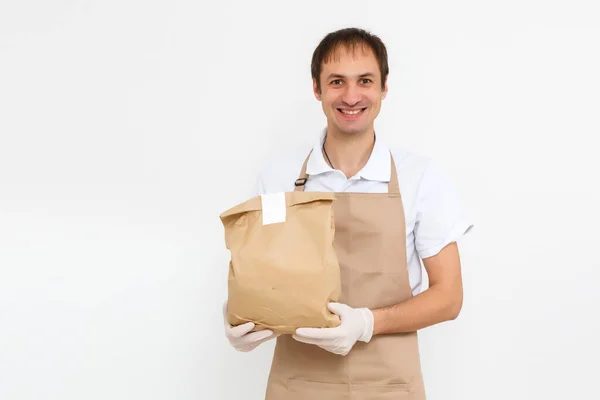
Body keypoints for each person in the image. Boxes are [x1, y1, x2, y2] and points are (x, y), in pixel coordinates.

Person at [222, 27, 473, 399]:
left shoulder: (421, 177)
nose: (352, 96)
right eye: (337, 81)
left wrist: (366, 322)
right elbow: (258, 275)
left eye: (365, 81)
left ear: (384, 87)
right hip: (298, 384)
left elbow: (449, 296)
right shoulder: (279, 175)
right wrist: (238, 317)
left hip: (391, 386)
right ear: (316, 89)